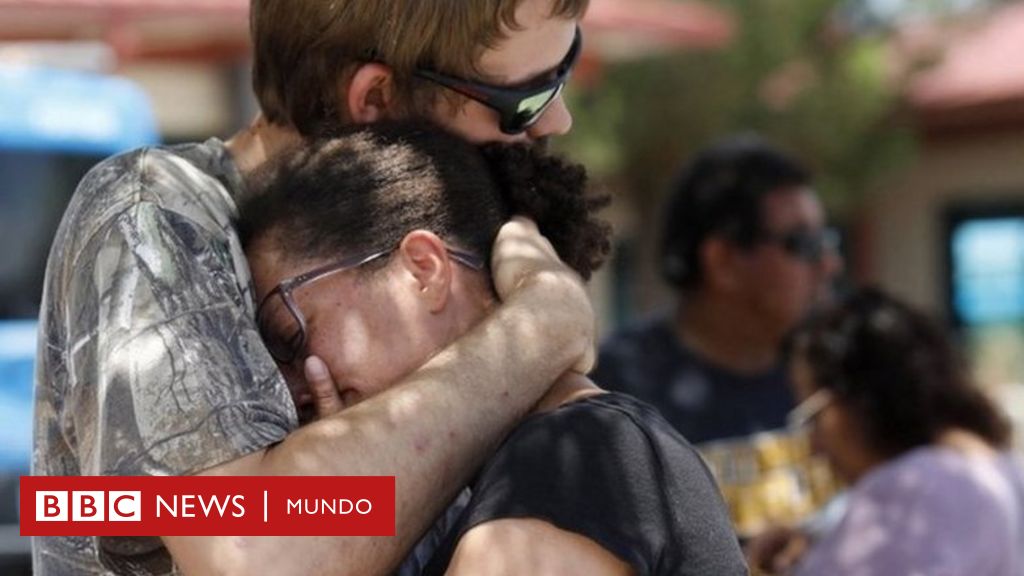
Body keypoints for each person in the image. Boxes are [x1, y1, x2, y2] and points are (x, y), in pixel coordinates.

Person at [33, 1, 595, 574]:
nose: (558, 121)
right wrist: (540, 329)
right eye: (524, 101)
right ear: (375, 98)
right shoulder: (153, 210)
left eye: (565, 66)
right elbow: (253, 552)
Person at [240, 121, 749, 576]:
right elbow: (178, 509)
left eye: (292, 335)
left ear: (423, 269)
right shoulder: (539, 465)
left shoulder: (571, 457)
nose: (293, 385)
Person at [591, 135, 843, 537]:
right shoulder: (617, 394)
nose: (829, 263)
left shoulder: (837, 372)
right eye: (804, 244)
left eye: (828, 241)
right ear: (723, 261)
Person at [749, 287, 1024, 575]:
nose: (814, 445)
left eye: (812, 417)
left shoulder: (910, 491)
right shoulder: (996, 465)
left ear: (860, 399)